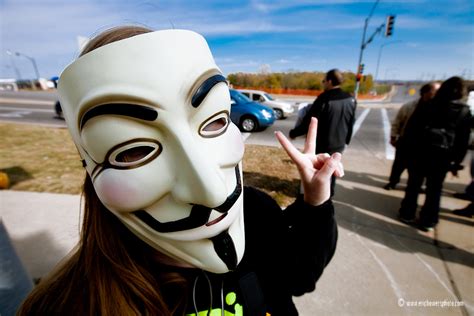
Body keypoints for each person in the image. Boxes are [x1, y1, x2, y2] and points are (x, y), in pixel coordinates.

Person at [17, 26, 343, 316]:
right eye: (134, 150)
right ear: (90, 169)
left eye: (214, 120)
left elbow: (298, 277)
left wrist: (315, 202)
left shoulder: (256, 213)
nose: (212, 193)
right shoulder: (67, 306)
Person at [398, 77, 471, 231]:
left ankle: (407, 213)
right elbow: (462, 141)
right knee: (434, 189)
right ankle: (428, 220)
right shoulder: (463, 112)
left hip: (420, 153)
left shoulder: (429, 104)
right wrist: (456, 163)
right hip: (442, 158)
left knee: (413, 185)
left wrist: (407, 151)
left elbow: (412, 129)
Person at [289, 69, 356, 197]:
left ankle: (319, 194)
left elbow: (310, 120)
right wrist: (346, 140)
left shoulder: (324, 98)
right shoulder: (350, 99)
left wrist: (294, 133)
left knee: (319, 169)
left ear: (330, 81)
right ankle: (330, 192)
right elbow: (351, 122)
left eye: (324, 80)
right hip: (340, 143)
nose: (323, 83)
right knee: (333, 167)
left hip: (324, 143)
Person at [384, 82, 440, 190]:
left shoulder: (437, 108)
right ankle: (393, 182)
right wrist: (393, 136)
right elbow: (398, 121)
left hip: (424, 145)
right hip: (406, 142)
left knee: (419, 170)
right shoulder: (410, 106)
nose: (438, 94)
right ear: (425, 92)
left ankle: (416, 186)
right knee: (398, 165)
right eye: (435, 91)